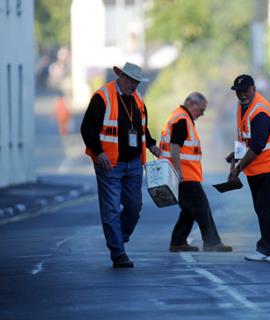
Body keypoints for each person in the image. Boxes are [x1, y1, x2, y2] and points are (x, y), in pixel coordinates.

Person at [81, 62, 161, 268]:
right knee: (111, 209)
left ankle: (119, 237)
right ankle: (118, 253)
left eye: (137, 82)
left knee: (134, 206)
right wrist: (99, 153)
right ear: (121, 77)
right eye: (131, 81)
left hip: (134, 163)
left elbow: (143, 128)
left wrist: (152, 145)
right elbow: (87, 129)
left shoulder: (138, 100)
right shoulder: (102, 97)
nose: (134, 86)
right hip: (109, 164)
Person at [159, 92, 232, 253]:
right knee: (201, 207)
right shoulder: (182, 119)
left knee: (189, 210)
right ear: (191, 104)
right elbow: (175, 146)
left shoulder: (179, 116)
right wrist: (178, 170)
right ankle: (212, 242)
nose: (202, 114)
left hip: (184, 174)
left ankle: (178, 242)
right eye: (201, 109)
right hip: (184, 175)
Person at [227, 74, 270, 262]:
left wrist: (238, 169)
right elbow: (244, 136)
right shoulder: (243, 106)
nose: (242, 94)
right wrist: (235, 157)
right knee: (263, 208)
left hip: (269, 163)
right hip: (257, 166)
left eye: (245, 90)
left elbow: (257, 146)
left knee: (265, 209)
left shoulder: (260, 111)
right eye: (238, 92)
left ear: (253, 88)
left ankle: (267, 250)